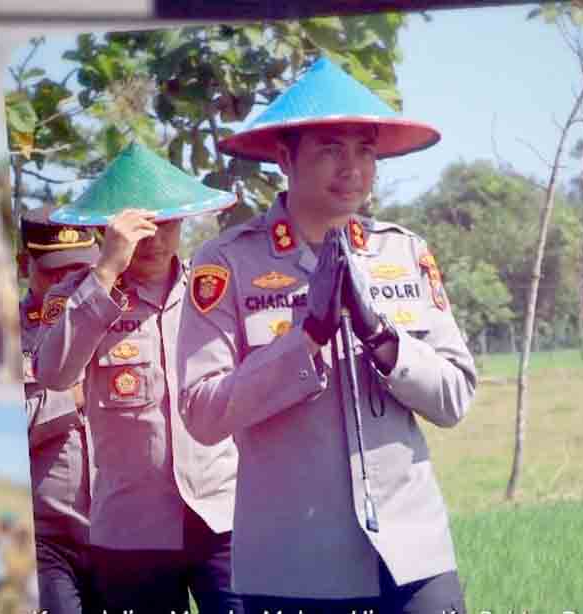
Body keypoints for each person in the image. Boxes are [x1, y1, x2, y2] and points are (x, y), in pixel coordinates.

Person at [178, 57, 477, 614]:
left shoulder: (403, 252)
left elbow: (455, 397)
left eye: (365, 150)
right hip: (294, 566)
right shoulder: (227, 264)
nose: (353, 168)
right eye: (331, 150)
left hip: (413, 555)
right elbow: (202, 412)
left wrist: (385, 341)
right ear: (284, 158)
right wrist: (305, 341)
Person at [34, 142, 241, 614]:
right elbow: (54, 373)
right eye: (140, 227)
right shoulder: (78, 295)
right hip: (132, 530)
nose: (154, 239)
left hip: (222, 515)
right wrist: (106, 269)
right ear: (108, 231)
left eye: (165, 224)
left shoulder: (212, 291)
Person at [19, 207, 97, 614]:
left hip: (121, 534)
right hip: (48, 538)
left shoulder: (117, 317)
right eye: (54, 271)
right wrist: (73, 397)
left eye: (79, 269)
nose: (67, 282)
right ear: (24, 265)